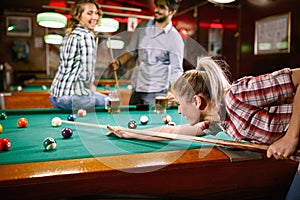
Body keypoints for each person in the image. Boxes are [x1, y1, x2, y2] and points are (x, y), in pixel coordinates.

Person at [107, 56, 300, 160]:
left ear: (197, 101)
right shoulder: (218, 122)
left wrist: (291, 138)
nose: (179, 111)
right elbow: (171, 131)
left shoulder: (238, 94)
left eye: (180, 105)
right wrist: (128, 133)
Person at [108, 0, 184, 105]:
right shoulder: (142, 26)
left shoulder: (175, 39)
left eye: (161, 7)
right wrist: (119, 62)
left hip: (157, 93)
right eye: (156, 6)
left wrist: (173, 92)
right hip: (136, 88)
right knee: (132, 121)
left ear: (172, 12)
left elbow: (176, 70)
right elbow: (132, 51)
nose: (156, 10)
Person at [50, 0, 107, 110]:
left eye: (96, 13)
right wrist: (91, 89)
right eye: (89, 13)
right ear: (78, 15)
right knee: (112, 102)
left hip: (55, 96)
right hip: (71, 98)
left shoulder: (70, 33)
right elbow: (87, 76)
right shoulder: (86, 35)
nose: (95, 17)